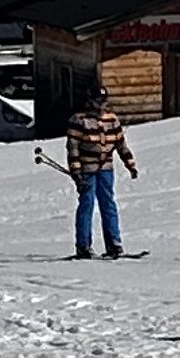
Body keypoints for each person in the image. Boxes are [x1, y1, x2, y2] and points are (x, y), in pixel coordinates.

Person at [64, 94, 138, 259]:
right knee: (87, 203)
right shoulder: (79, 120)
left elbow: (121, 145)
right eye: (98, 102)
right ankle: (83, 246)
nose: (102, 106)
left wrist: (130, 164)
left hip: (106, 169)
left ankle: (114, 244)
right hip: (86, 169)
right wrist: (76, 173)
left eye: (104, 102)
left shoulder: (112, 120)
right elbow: (73, 149)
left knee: (108, 203)